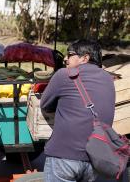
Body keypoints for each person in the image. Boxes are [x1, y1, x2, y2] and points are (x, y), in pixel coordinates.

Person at [40, 39, 115, 182]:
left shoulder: (63, 75)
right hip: (96, 160)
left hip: (64, 157)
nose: (66, 59)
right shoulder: (108, 78)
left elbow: (45, 105)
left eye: (70, 54)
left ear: (85, 58)